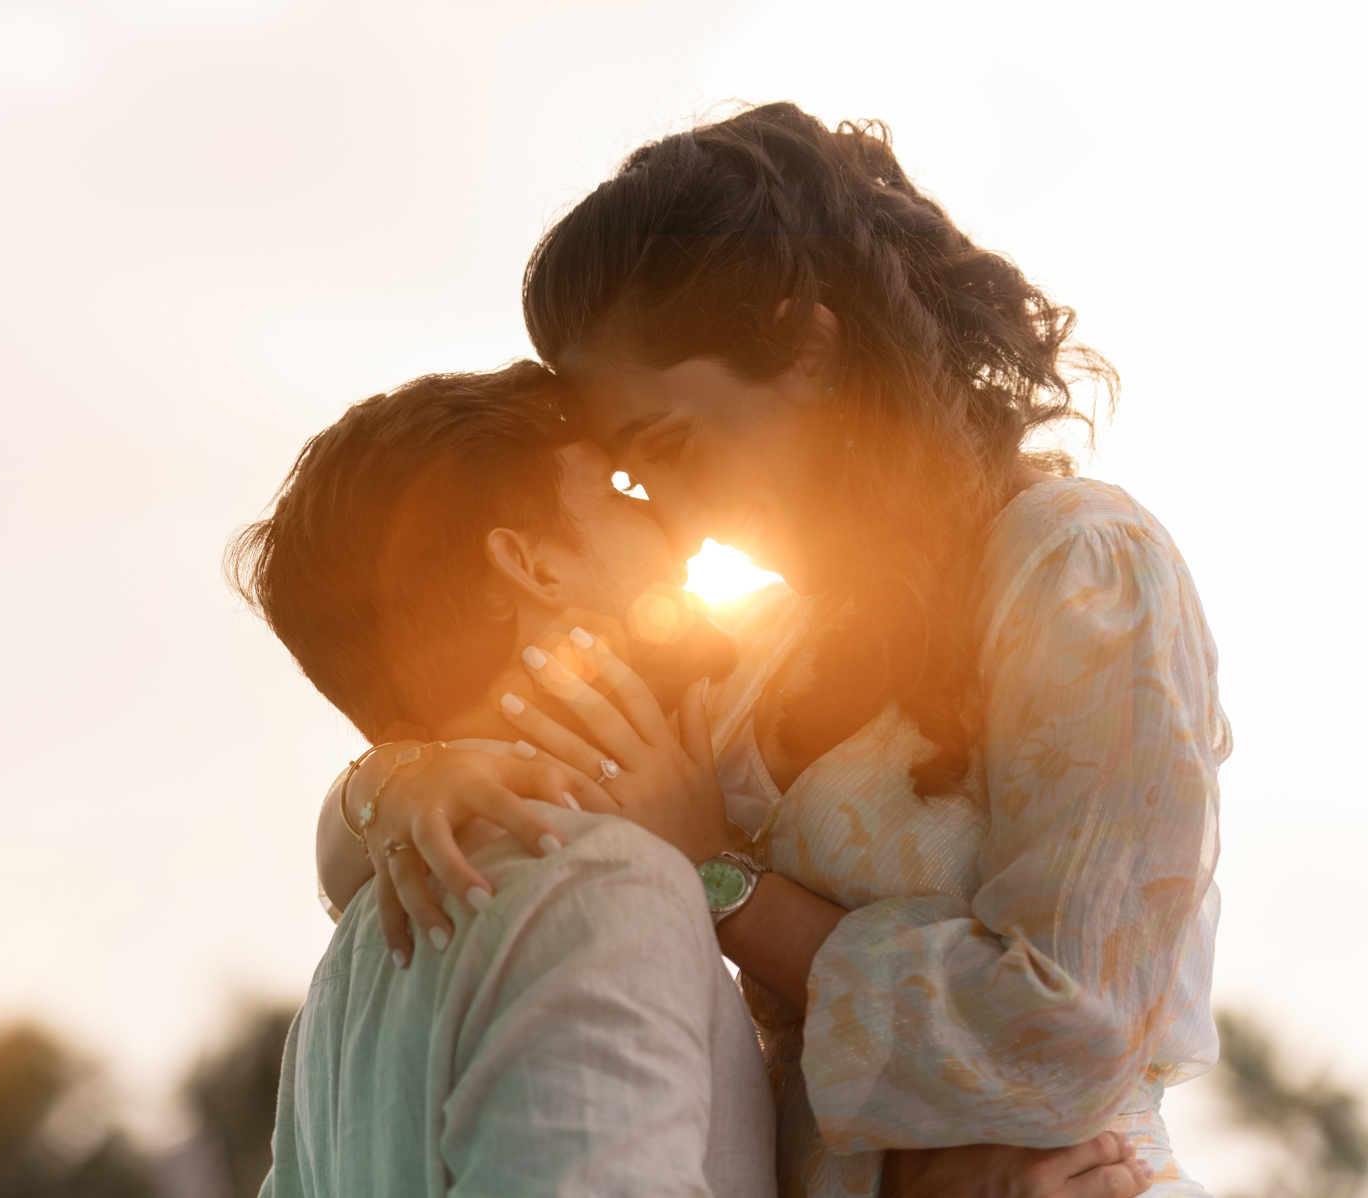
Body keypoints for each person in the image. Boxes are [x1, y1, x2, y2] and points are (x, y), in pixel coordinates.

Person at [319, 103, 1225, 1196]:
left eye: (674, 446)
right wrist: (399, 775)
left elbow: (1070, 1030)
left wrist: (722, 879)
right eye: (635, 481)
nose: (679, 518)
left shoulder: (1079, 568)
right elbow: (452, 818)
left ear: (807, 345)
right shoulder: (750, 657)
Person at [237, 364, 1152, 1197]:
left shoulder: (345, 978)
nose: (674, 523)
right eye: (624, 489)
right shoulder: (601, 890)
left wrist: (381, 779)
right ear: (533, 566)